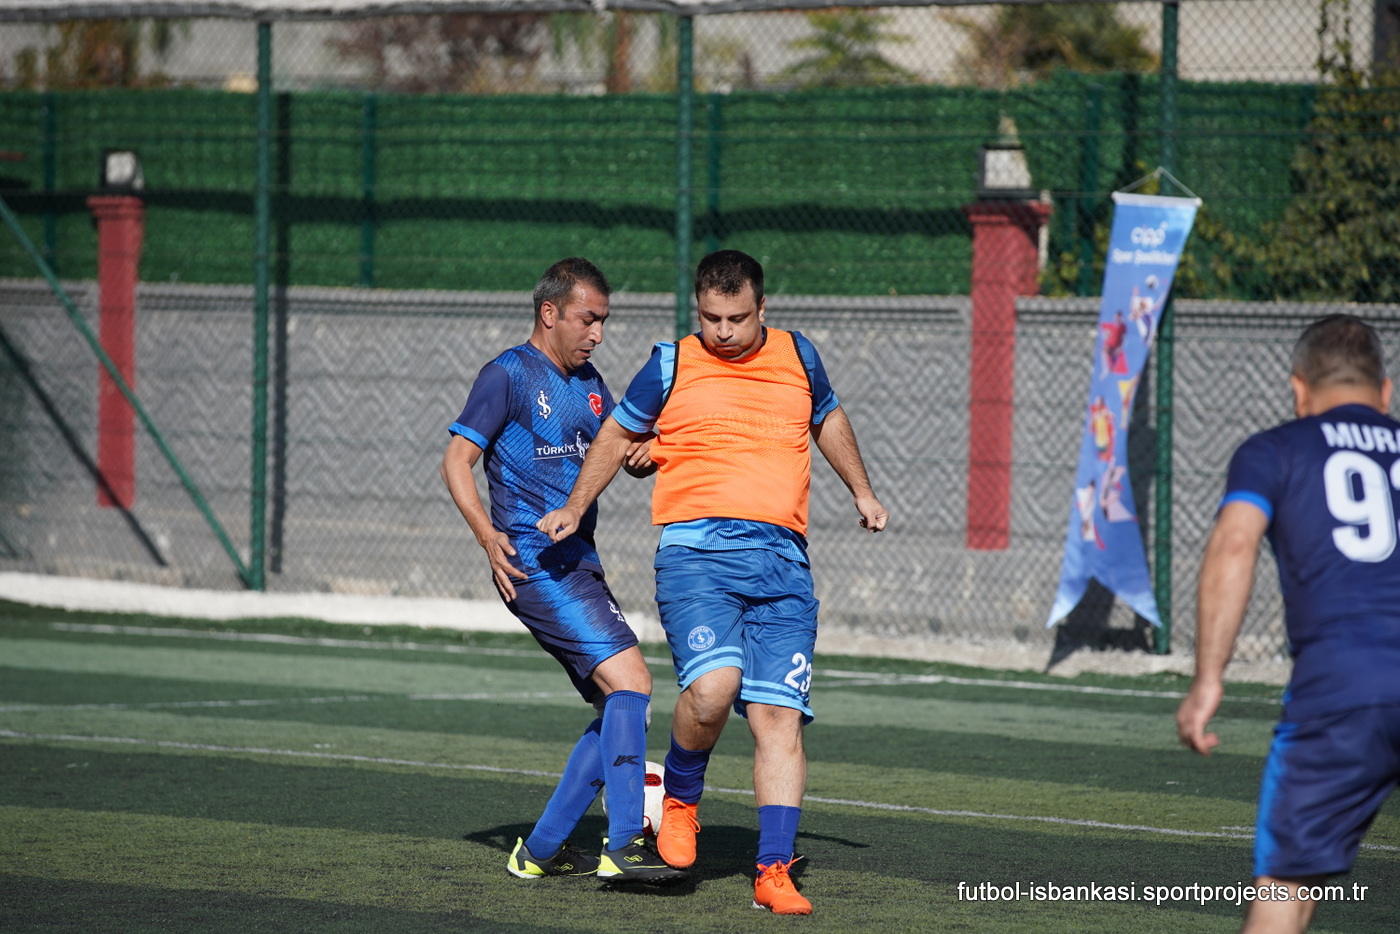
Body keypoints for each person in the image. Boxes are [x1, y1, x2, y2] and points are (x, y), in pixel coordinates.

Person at [537, 249, 889, 914]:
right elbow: (617, 435)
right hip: (697, 556)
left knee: (780, 718)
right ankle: (680, 800)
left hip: (783, 563)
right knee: (713, 689)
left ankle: (774, 870)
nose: (722, 331)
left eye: (737, 318)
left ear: (763, 308)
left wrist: (862, 492)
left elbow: (829, 418)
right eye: (710, 317)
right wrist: (577, 506)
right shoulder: (671, 362)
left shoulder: (799, 355)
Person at [440, 257, 681, 885]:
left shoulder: (592, 383)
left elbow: (614, 447)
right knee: (632, 681)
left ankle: (541, 851)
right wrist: (488, 536)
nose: (597, 333)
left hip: (578, 562)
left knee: (619, 706)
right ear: (549, 314)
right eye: (587, 319)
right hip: (535, 563)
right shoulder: (508, 374)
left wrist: (639, 456)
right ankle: (624, 843)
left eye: (603, 320)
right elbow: (456, 460)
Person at [1176, 314, 1400, 934]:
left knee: (1286, 889)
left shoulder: (1274, 450)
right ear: (1385, 392)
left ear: (1298, 389)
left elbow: (1233, 544)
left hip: (1343, 687)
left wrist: (1208, 679)